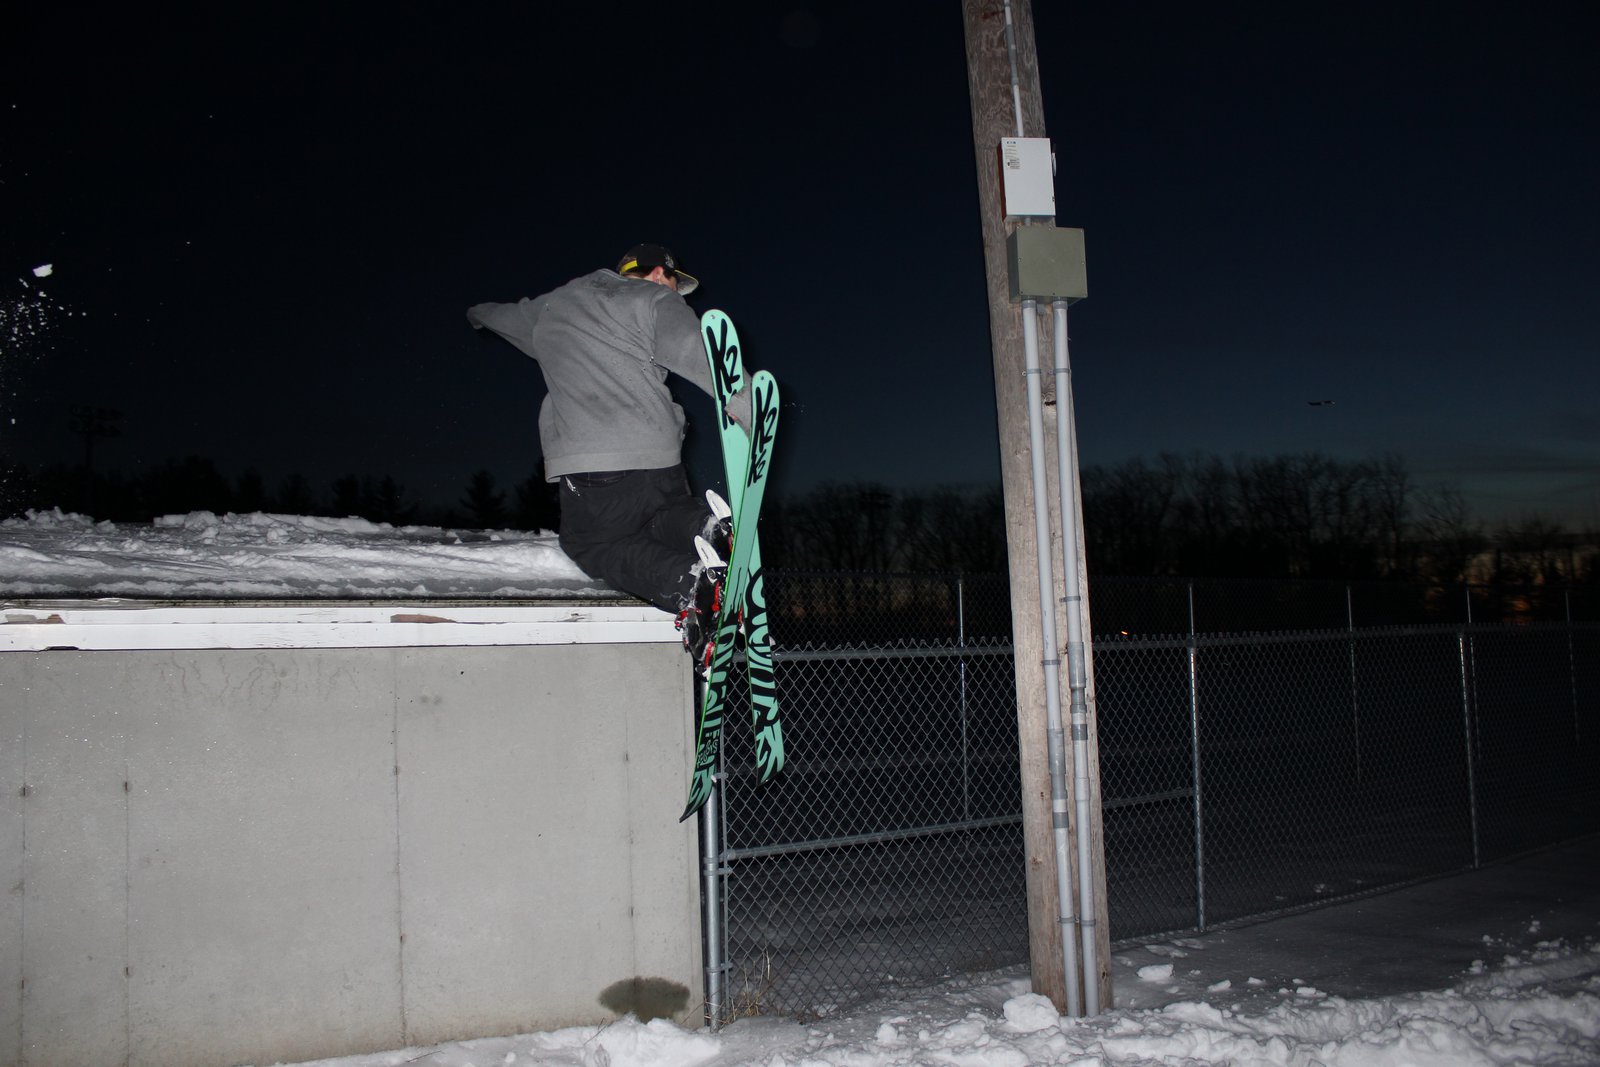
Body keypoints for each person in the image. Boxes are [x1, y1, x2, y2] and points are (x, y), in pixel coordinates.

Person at [467, 243, 748, 658]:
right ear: (658, 275)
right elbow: (696, 349)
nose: (676, 296)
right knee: (657, 515)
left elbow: (504, 317)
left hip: (595, 465)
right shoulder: (653, 299)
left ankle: (693, 587)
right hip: (660, 459)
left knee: (591, 543)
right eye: (675, 286)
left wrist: (477, 315)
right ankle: (708, 528)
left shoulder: (550, 308)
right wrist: (746, 405)